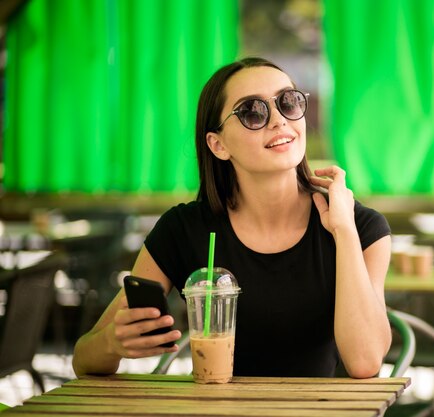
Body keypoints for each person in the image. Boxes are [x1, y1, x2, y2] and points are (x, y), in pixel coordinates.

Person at [72, 57, 392, 378]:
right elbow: (83, 359)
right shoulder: (182, 229)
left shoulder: (363, 228)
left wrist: (344, 230)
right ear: (218, 144)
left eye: (289, 102)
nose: (279, 121)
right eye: (253, 111)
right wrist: (112, 344)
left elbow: (365, 363)